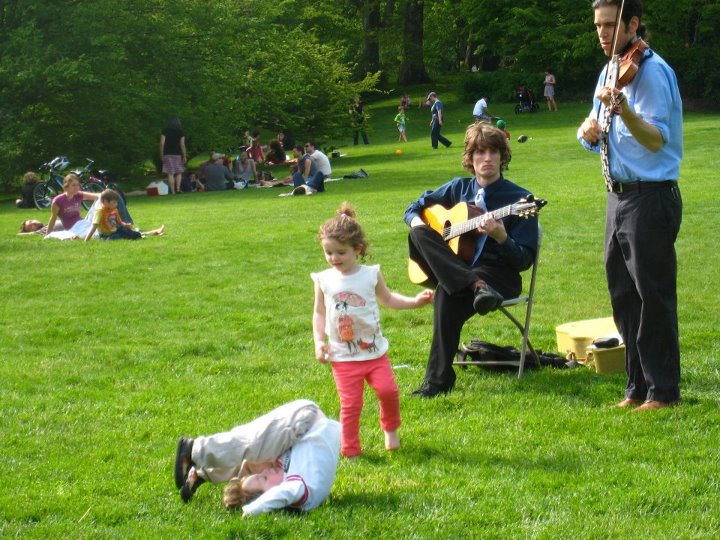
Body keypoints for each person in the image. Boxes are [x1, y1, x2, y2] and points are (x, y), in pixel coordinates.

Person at [577, 0, 683, 411]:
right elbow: (596, 131)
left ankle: (663, 391)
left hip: (650, 197)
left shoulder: (653, 72)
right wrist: (587, 131)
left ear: (632, 23)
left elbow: (657, 138)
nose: (602, 33)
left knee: (652, 296)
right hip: (617, 196)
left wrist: (626, 112)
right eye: (598, 25)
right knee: (623, 294)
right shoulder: (609, 70)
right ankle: (636, 386)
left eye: (610, 25)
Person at [404, 122, 539, 397]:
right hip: (462, 270)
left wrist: (501, 236)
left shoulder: (520, 199)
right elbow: (412, 208)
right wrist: (419, 222)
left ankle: (437, 382)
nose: (486, 159)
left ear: (503, 157)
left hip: (498, 275)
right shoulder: (457, 189)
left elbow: (524, 260)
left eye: (493, 152)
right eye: (480, 152)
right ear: (470, 158)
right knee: (417, 233)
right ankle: (475, 285)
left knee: (446, 292)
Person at [312, 203, 433, 457]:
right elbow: (319, 312)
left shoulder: (370, 275)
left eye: (340, 252)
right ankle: (350, 448)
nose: (334, 258)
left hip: (375, 353)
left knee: (389, 392)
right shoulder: (324, 279)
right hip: (343, 357)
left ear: (357, 249)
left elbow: (388, 299)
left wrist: (415, 302)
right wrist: (318, 342)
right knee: (351, 404)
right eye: (328, 252)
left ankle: (390, 429)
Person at [173, 399, 341, 517]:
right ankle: (193, 450)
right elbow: (283, 493)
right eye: (265, 479)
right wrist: (252, 510)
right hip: (305, 420)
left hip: (298, 432)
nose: (267, 472)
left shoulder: (288, 481)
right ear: (270, 495)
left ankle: (201, 472)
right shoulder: (304, 493)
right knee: (250, 444)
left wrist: (250, 503)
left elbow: (277, 490)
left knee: (250, 462)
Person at [85, 189, 164, 241]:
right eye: (114, 202)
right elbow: (94, 226)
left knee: (131, 233)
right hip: (105, 236)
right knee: (117, 237)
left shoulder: (114, 210)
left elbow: (120, 222)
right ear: (105, 202)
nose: (116, 205)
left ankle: (152, 233)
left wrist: (126, 225)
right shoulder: (99, 211)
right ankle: (153, 232)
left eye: (116, 202)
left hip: (115, 231)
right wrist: (86, 240)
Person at [160, 115, 187, 195]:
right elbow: (182, 145)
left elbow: (162, 143)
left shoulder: (165, 131)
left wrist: (161, 155)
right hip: (177, 154)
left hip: (167, 154)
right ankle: (178, 188)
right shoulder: (180, 132)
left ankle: (173, 191)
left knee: (170, 173)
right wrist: (184, 156)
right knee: (179, 172)